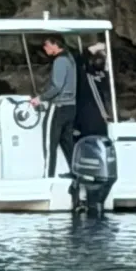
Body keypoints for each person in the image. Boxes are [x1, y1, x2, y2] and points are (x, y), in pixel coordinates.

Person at [39, 35, 77, 174]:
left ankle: (48, 176)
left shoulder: (60, 61)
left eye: (46, 44)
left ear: (55, 45)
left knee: (50, 143)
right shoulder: (70, 59)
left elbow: (57, 86)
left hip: (58, 107)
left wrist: (40, 98)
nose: (44, 48)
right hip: (71, 107)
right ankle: (75, 173)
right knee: (67, 142)